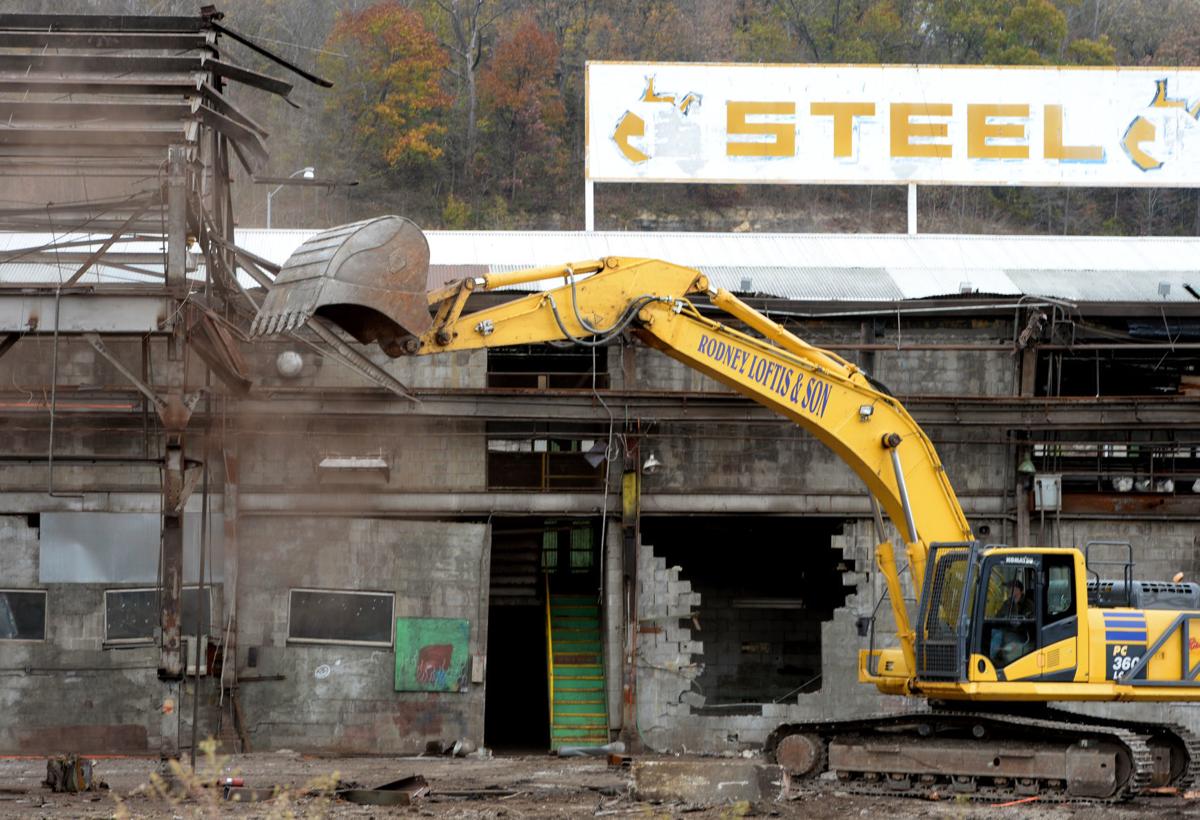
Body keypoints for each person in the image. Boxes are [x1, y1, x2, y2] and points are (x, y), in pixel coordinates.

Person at [990, 579, 1034, 668]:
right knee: (990, 631)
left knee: (998, 635)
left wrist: (1016, 621)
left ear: (1019, 590)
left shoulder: (1028, 604)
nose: (1010, 590)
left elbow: (1028, 620)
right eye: (1010, 588)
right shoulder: (1007, 603)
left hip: (1020, 633)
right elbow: (997, 617)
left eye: (1012, 588)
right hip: (1007, 630)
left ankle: (991, 662)